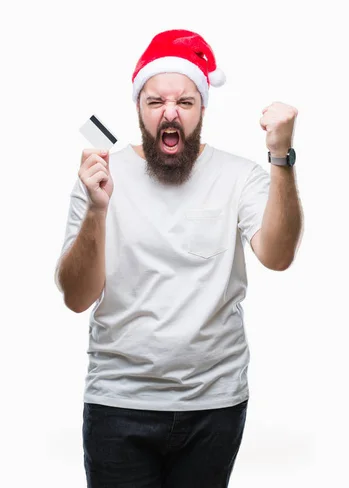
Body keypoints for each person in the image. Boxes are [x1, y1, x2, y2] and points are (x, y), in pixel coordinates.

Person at [54, 28, 303, 488]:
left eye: (185, 102)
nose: (170, 112)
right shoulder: (100, 178)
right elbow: (76, 297)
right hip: (118, 402)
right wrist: (96, 208)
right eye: (156, 102)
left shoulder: (238, 176)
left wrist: (280, 157)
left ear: (202, 109)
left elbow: (278, 255)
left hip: (214, 404)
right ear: (139, 109)